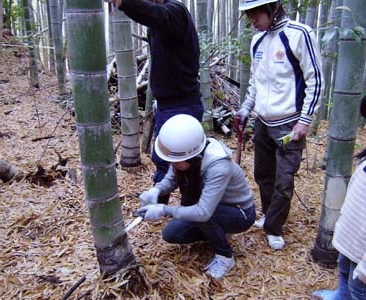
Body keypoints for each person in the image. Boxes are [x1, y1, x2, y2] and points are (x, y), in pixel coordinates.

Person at [235, 0, 324, 250]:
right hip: (262, 122)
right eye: (248, 14)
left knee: (284, 182)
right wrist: (245, 109)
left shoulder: (299, 34)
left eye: (255, 13)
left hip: (289, 124)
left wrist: (305, 120)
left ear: (274, 8)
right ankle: (268, 215)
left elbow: (315, 80)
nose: (252, 20)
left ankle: (273, 227)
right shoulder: (257, 41)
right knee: (264, 176)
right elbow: (255, 83)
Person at [137, 114, 256, 280]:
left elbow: (203, 212)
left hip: (239, 213)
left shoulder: (218, 167)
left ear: (192, 156)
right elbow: (171, 179)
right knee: (172, 234)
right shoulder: (184, 156)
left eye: (176, 162)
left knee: (203, 217)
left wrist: (164, 209)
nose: (174, 165)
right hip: (212, 207)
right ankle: (218, 232)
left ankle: (225, 256)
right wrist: (156, 191)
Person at [109, 0, 204, 204]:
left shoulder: (175, 12)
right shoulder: (159, 23)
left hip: (183, 104)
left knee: (185, 159)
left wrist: (124, 2)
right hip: (168, 104)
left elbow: (155, 14)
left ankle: (191, 209)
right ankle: (160, 201)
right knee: (164, 158)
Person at [310, 97, 366, 300]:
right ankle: (340, 296)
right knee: (344, 272)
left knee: (357, 289)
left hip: (363, 257)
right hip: (352, 241)